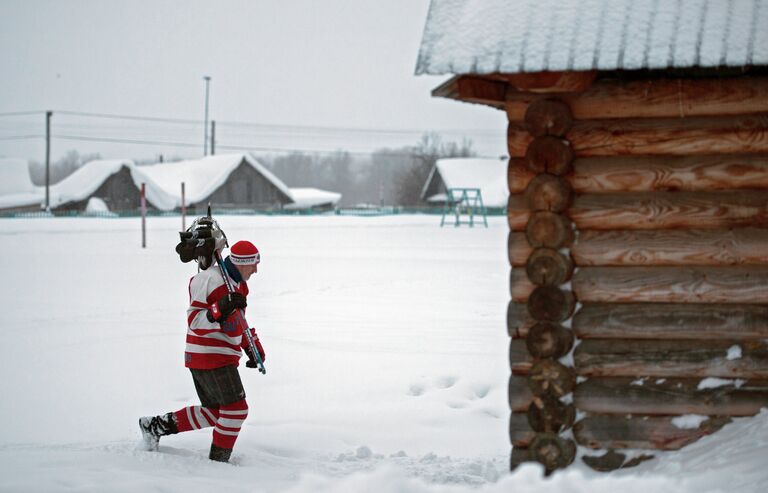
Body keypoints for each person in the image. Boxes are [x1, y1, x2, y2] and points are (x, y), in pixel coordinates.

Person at [139, 240, 266, 463]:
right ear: (241, 262)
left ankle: (154, 426)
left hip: (220, 355)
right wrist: (220, 308)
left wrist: (252, 346)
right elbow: (195, 320)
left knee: (214, 412)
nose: (256, 270)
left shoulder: (238, 285)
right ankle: (218, 462)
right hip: (210, 355)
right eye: (253, 264)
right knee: (236, 410)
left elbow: (239, 321)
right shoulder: (207, 279)